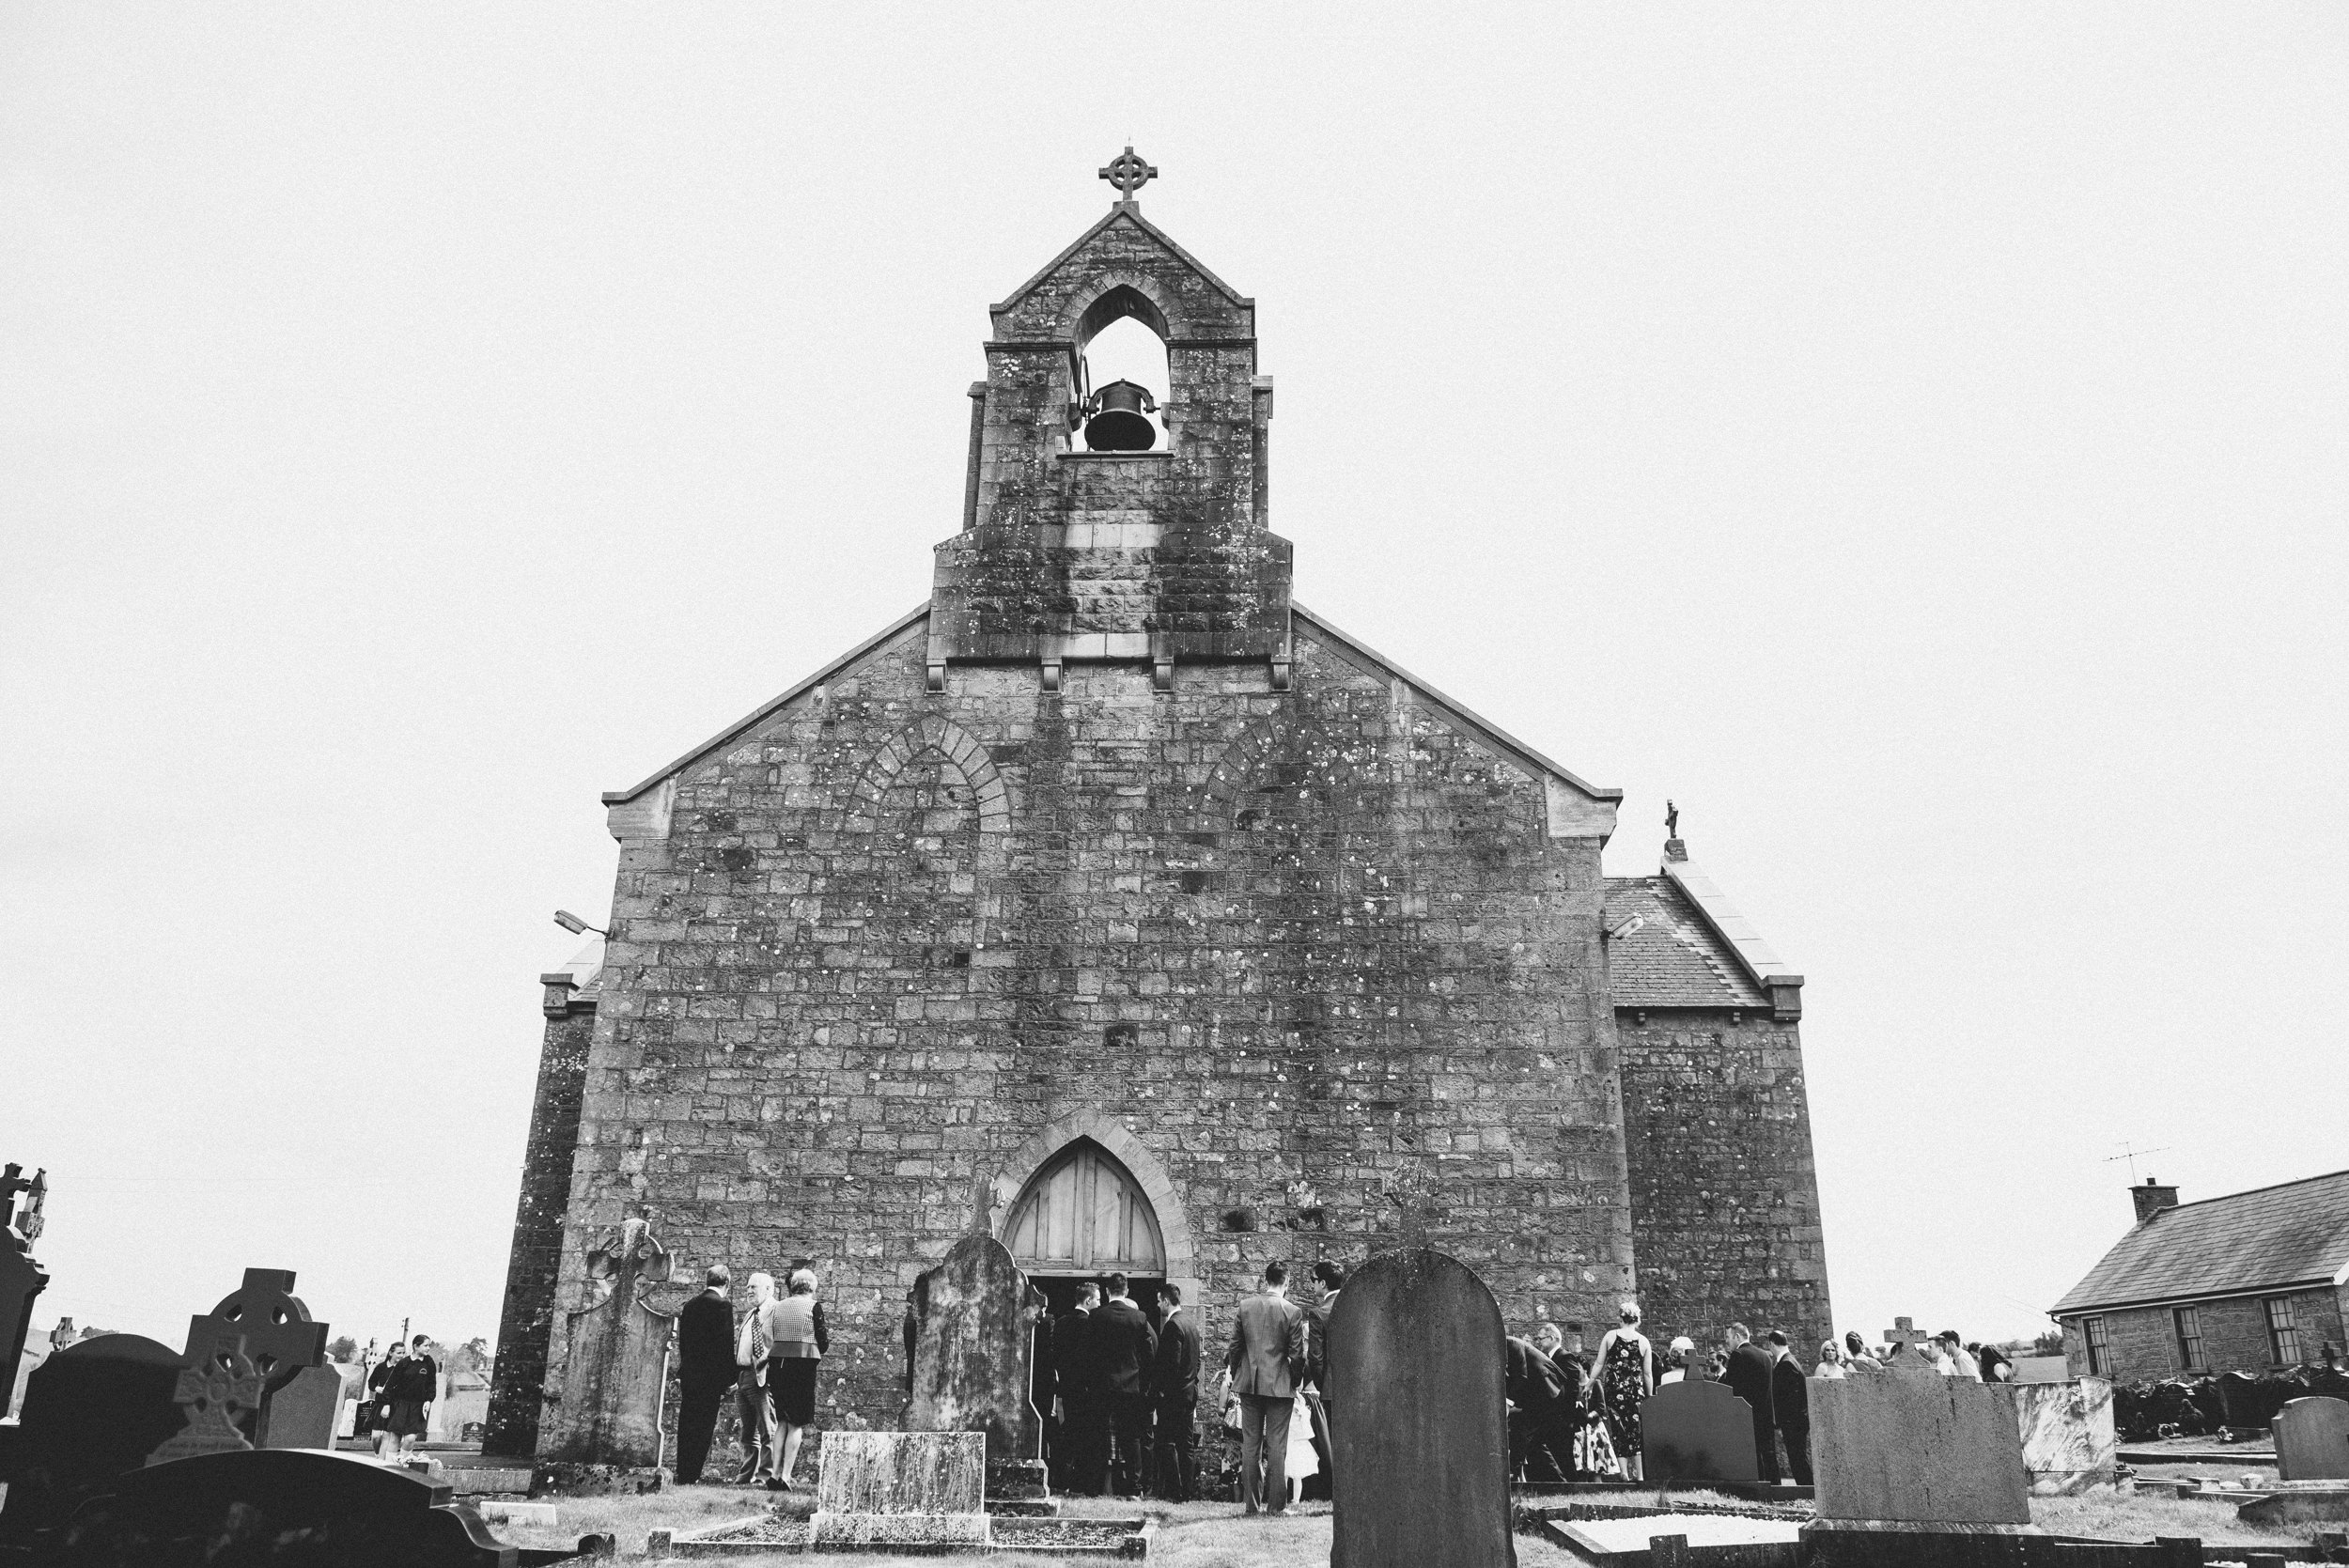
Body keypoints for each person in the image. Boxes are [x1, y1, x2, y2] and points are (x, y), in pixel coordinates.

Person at [1221, 1261, 1305, 1516]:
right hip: (1280, 1386)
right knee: (1277, 1447)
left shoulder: (1246, 1307)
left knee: (1251, 1446)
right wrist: (1295, 1381)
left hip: (1249, 1384)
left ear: (1264, 1280)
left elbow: (1234, 1347)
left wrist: (1237, 1374)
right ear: (1287, 1282)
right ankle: (1277, 1507)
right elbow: (1297, 1355)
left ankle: (1252, 1506)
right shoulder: (1292, 1311)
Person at [762, 1268, 829, 1491]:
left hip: (778, 1364)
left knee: (782, 1420)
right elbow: (823, 1340)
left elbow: (767, 1336)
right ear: (812, 1287)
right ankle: (787, 1476)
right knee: (797, 1422)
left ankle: (774, 1473)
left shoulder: (777, 1306)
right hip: (802, 1363)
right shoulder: (813, 1307)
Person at [673, 1265, 739, 1484]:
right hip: (710, 1378)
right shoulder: (722, 1305)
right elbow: (725, 1345)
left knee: (687, 1421)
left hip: (690, 1374)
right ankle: (692, 1474)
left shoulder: (691, 1305)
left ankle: (683, 1470)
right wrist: (730, 1380)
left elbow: (684, 1341)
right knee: (703, 1425)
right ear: (727, 1282)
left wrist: (684, 1369)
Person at [1095, 1273, 1159, 1496]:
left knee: (1100, 1434)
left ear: (1107, 1291)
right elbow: (1148, 1356)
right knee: (1131, 1438)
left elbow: (1087, 1354)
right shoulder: (1139, 1318)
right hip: (1131, 1386)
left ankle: (1098, 1486)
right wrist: (1144, 1385)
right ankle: (1134, 1487)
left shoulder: (1096, 1316)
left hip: (1102, 1385)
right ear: (1127, 1291)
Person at [1592, 1302, 1657, 1482]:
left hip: (1614, 1389)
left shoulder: (1610, 1336)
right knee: (1635, 1431)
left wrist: (1590, 1383)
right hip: (1635, 1392)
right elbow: (1648, 1373)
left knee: (1618, 1429)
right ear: (1637, 1320)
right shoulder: (1643, 1341)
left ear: (1621, 1318)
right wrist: (1649, 1397)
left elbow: (1599, 1363)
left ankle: (1624, 1472)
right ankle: (1640, 1474)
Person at [1150, 1281, 1201, 1501]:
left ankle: (1174, 1491)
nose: (1158, 1304)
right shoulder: (1191, 1324)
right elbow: (1196, 1363)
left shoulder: (1172, 1326)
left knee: (1166, 1443)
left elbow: (1172, 1365)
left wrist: (1161, 1393)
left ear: (1167, 1301)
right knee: (1186, 1445)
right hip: (1189, 1393)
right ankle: (1187, 1492)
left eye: (1160, 1300)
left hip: (1174, 1397)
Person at [1054, 1282, 1105, 1495]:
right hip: (1087, 1390)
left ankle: (1063, 1481)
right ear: (1088, 1301)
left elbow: (1056, 1355)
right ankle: (1084, 1484)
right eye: (1098, 1299)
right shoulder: (1092, 1325)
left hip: (1067, 1388)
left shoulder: (1062, 1323)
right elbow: (1093, 1360)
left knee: (1069, 1434)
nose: (1100, 1303)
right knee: (1088, 1438)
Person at [1298, 1262, 1342, 1501]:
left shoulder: (1319, 1313)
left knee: (1331, 1443)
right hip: (1357, 1389)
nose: (1312, 1284)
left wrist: (1321, 1384)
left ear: (1323, 1284)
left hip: (1330, 1390)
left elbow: (1315, 1358)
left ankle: (1333, 1493)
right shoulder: (1353, 1307)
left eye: (1313, 1280)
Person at [1505, 1327, 1574, 1484]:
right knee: (1535, 1442)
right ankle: (1560, 1484)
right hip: (1537, 1395)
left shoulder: (1511, 1344)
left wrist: (1508, 1404)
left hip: (1548, 1390)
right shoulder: (1505, 1348)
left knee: (1522, 1429)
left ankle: (1513, 1474)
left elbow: (1521, 1376)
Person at [1721, 1324, 1779, 1484]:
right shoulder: (1765, 1356)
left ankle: (1758, 1487)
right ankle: (1776, 1487)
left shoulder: (1738, 1355)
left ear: (1737, 1337)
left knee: (1753, 1457)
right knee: (1769, 1454)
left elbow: (1731, 1389)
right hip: (1766, 1414)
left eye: (1728, 1337)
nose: (1727, 1341)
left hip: (1747, 1416)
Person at [734, 1271, 776, 1483]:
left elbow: (777, 1344)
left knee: (767, 1429)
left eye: (754, 1287)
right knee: (748, 1431)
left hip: (761, 1376)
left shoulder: (775, 1311)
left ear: (769, 1290)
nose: (749, 1291)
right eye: (748, 1287)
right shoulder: (751, 1314)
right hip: (742, 1376)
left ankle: (765, 1476)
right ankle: (746, 1475)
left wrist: (765, 1366)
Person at [1531, 1322, 1588, 1478]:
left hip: (1562, 1418)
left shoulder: (1564, 1357)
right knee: (1553, 1452)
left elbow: (1572, 1388)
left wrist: (1567, 1417)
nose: (1538, 1342)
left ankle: (1571, 1486)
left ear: (1552, 1338)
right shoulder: (1548, 1358)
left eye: (1540, 1338)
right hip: (1550, 1416)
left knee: (1564, 1455)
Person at [1764, 1330, 1812, 1485]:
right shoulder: (1791, 1360)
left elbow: (1790, 1398)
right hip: (1796, 1421)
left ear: (1771, 1343)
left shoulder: (1786, 1364)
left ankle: (1808, 1489)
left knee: (1797, 1459)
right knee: (1797, 1458)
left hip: (1794, 1422)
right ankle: (1807, 1488)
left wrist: (1783, 1421)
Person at [367, 1342, 408, 1459]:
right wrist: (376, 1388)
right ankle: (377, 1454)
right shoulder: (381, 1367)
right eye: (398, 1352)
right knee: (375, 1436)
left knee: (386, 1435)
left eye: (403, 1353)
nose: (401, 1355)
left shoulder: (403, 1369)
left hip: (393, 1406)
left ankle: (380, 1461)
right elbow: (371, 1383)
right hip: (380, 1405)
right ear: (391, 1352)